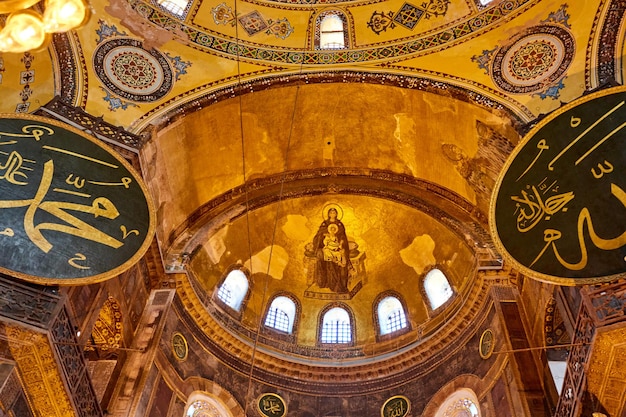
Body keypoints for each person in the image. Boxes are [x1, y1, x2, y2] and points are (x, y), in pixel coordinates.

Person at [312, 207, 353, 292]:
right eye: (331, 213)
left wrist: (341, 243)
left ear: (337, 214)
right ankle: (323, 281)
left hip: (337, 247)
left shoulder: (339, 224)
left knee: (341, 256)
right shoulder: (324, 224)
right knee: (321, 255)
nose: (332, 214)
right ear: (328, 214)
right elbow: (318, 236)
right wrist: (324, 235)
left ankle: (340, 283)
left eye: (334, 213)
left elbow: (343, 237)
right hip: (327, 247)